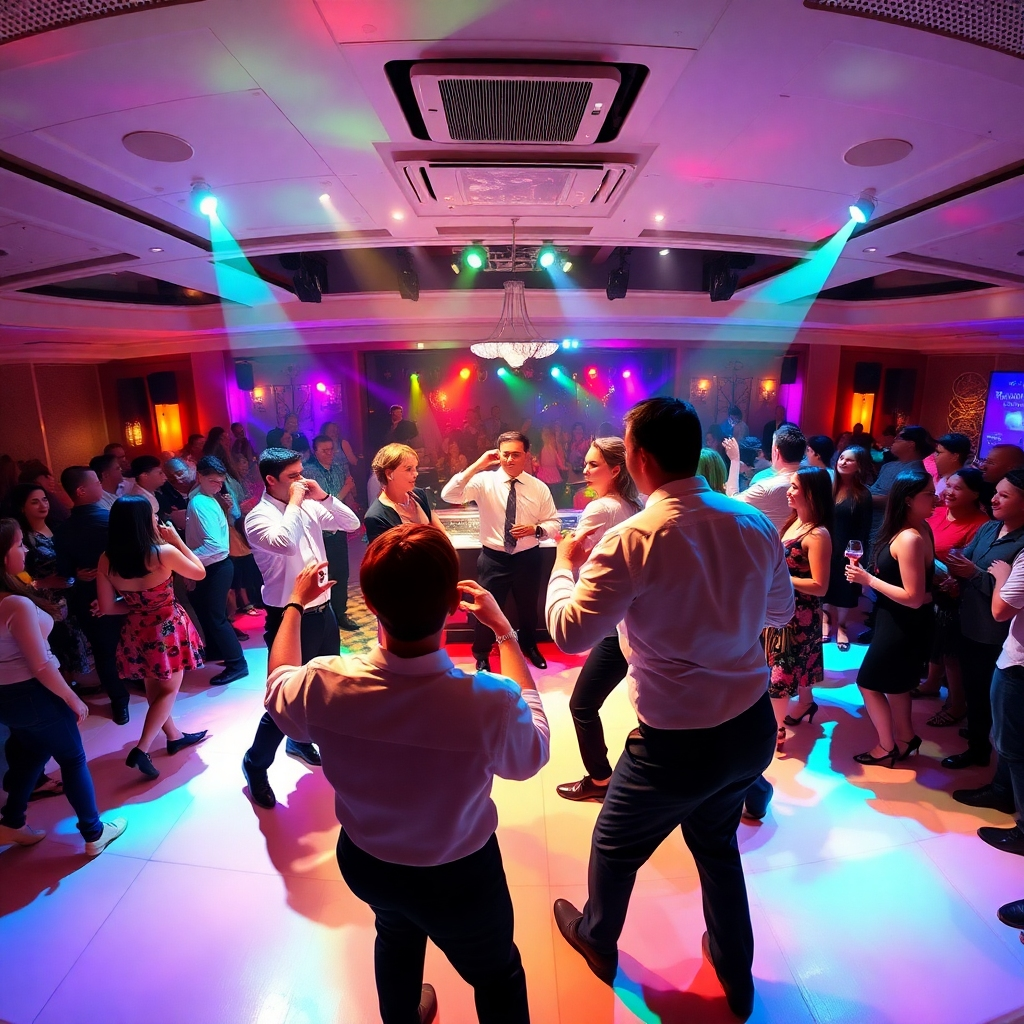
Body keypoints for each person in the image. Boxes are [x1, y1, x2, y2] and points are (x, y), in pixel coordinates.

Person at [545, 398, 794, 1020]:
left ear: (640, 458)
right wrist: (722, 619)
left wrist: (560, 567)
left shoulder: (632, 538)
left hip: (674, 743)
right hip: (750, 727)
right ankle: (737, 975)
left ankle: (599, 940)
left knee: (614, 843)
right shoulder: (752, 521)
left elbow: (571, 634)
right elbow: (781, 611)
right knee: (715, 844)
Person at [265, 526, 549, 1024]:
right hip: (460, 876)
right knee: (496, 974)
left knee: (394, 932)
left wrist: (293, 604)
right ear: (452, 603)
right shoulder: (489, 700)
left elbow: (277, 687)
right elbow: (532, 754)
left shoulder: (325, 682)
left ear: (370, 603)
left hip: (368, 861)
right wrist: (504, 631)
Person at [241, 447, 360, 808]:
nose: (300, 482)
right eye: (293, 477)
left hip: (323, 611)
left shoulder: (307, 503)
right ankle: (255, 764)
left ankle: (300, 740)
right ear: (270, 480)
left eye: (300, 474)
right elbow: (285, 542)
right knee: (284, 699)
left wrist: (321, 495)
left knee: (325, 683)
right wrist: (295, 501)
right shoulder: (257, 518)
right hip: (288, 618)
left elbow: (350, 524)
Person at [0, 518, 127, 855]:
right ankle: (94, 832)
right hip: (32, 693)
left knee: (32, 754)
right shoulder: (15, 603)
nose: (25, 549)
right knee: (72, 758)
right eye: (18, 545)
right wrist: (72, 698)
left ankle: (12, 822)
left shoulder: (13, 597)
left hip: (7, 697)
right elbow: (39, 663)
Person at [555, 437, 643, 802]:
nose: (585, 469)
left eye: (593, 464)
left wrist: (565, 558)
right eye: (586, 463)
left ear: (616, 469)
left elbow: (579, 558)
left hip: (612, 619)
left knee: (582, 705)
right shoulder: (635, 502)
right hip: (634, 613)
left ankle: (601, 780)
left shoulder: (601, 507)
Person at [96, 497, 207, 778]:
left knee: (153, 691)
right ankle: (142, 748)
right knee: (168, 691)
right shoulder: (162, 552)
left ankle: (174, 736)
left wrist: (138, 606)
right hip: (167, 626)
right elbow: (200, 572)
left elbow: (108, 607)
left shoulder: (107, 558)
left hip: (136, 627)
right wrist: (177, 540)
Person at [441, 432, 560, 673]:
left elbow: (554, 523)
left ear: (527, 455)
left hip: (528, 558)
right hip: (494, 558)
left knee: (528, 609)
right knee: (484, 608)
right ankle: (482, 653)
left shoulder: (538, 487)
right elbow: (449, 495)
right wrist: (477, 464)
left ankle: (529, 645)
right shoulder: (484, 481)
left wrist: (535, 529)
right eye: (505, 454)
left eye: (516, 454)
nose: (509, 460)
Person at [845, 469, 935, 767]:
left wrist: (867, 579)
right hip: (897, 620)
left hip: (900, 622)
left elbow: (912, 597)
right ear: (908, 500)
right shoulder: (919, 529)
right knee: (897, 685)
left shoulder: (910, 537)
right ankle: (907, 738)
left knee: (868, 683)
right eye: (929, 495)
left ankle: (886, 747)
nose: (936, 499)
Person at [941, 470, 1024, 771]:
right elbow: (970, 561)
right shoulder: (990, 528)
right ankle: (977, 735)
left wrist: (973, 575)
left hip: (994, 630)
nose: (994, 499)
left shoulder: (1021, 544)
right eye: (996, 492)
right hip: (968, 617)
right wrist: (957, 578)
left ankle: (979, 752)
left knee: (987, 692)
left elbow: (1012, 595)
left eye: (1004, 495)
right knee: (974, 687)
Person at [53, 466, 131, 724]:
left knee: (104, 651)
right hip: (125, 591)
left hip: (88, 598)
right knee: (132, 641)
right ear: (81, 490)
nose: (101, 486)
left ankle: (120, 703)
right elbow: (130, 561)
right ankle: (140, 683)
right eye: (96, 482)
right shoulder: (109, 520)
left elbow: (65, 572)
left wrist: (79, 572)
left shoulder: (63, 530)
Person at [915, 469, 990, 721]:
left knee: (951, 652)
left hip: (957, 593)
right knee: (936, 642)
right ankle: (931, 684)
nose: (949, 492)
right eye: (949, 486)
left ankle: (957, 705)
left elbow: (971, 562)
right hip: (931, 587)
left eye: (958, 488)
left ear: (975, 494)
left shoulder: (981, 524)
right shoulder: (936, 512)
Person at [768, 467, 833, 753]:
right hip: (784, 609)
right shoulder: (795, 522)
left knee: (780, 673)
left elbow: (820, 585)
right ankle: (806, 704)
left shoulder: (818, 534)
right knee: (799, 661)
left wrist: (779, 577)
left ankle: (776, 729)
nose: (788, 491)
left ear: (810, 492)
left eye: (794, 487)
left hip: (800, 614)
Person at [9, 483, 89, 682]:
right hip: (43, 598)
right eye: (34, 502)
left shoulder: (59, 527)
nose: (42, 505)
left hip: (70, 593)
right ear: (22, 507)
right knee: (55, 644)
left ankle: (73, 683)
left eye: (44, 500)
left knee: (74, 639)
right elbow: (17, 574)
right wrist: (43, 582)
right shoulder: (23, 538)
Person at [184, 456, 249, 685]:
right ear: (199, 476)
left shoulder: (202, 501)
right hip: (214, 566)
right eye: (213, 481)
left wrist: (185, 562)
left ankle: (237, 663)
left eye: (220, 482)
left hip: (217, 566)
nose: (218, 486)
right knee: (207, 613)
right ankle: (217, 652)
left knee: (215, 618)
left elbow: (215, 546)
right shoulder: (202, 499)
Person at [982, 535, 1024, 860]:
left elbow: (1000, 610)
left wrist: (1001, 577)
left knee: (1013, 749)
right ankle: (1000, 794)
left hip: (1018, 664)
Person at [303, 435, 360, 630]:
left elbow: (338, 502)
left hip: (339, 528)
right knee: (323, 573)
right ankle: (327, 615)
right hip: (320, 532)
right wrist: (345, 489)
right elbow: (326, 501)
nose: (329, 454)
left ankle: (341, 612)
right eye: (324, 450)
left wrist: (344, 495)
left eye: (331, 450)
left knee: (342, 572)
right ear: (315, 451)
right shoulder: (309, 472)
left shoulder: (337, 468)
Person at [822, 447, 874, 651]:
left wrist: (860, 556)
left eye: (849, 460)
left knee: (845, 588)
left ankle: (842, 626)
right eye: (841, 458)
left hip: (848, 549)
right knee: (825, 584)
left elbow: (865, 528)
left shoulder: (863, 494)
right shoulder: (828, 488)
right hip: (825, 544)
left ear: (859, 465)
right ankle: (825, 622)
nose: (843, 462)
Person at [723, 424, 807, 531]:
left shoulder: (766, 487)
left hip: (774, 545)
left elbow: (732, 502)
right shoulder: (814, 479)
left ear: (776, 452)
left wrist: (734, 460)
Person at [364, 443, 444, 544]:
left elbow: (440, 532)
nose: (416, 474)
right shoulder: (376, 517)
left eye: (415, 468)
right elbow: (387, 557)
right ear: (389, 474)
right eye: (409, 469)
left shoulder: (419, 494)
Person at [155, 457, 193, 534]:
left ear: (189, 469)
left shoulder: (202, 486)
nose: (177, 479)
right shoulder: (163, 495)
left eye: (180, 473)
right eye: (171, 478)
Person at [931, 432, 972, 501]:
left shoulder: (964, 483)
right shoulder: (944, 479)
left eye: (938, 453)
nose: (934, 457)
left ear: (954, 457)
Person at [535, 426, 568, 507]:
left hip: (554, 477)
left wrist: (564, 467)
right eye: (544, 433)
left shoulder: (552, 448)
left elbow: (558, 461)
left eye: (548, 434)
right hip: (543, 477)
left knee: (555, 500)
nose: (546, 435)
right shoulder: (539, 448)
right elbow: (536, 462)